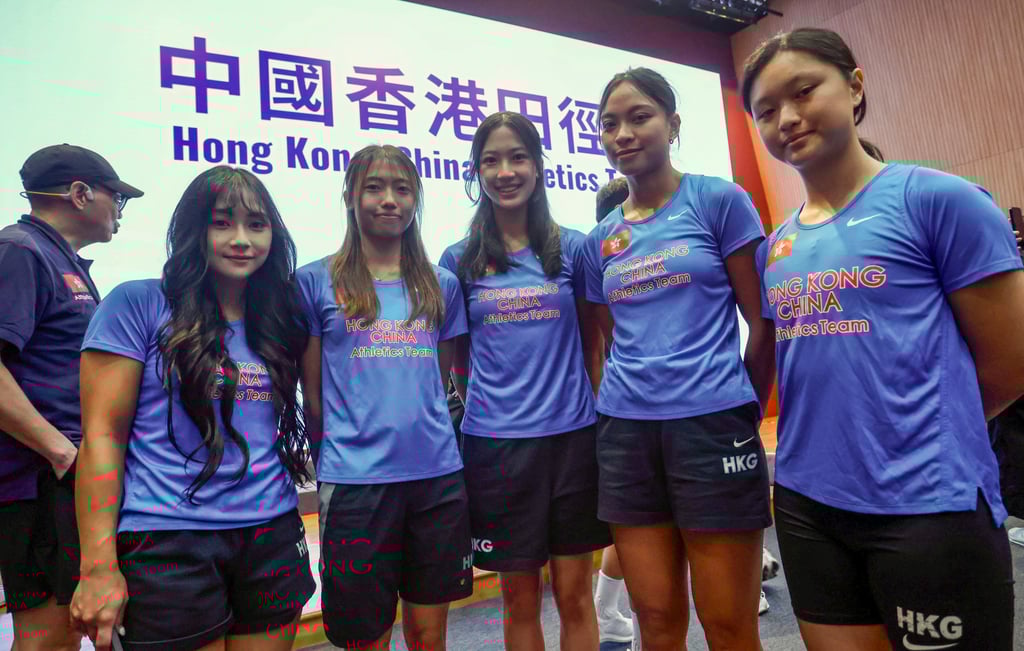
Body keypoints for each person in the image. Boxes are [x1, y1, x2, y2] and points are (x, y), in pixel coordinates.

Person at [743, 27, 1024, 651]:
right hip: (807, 504)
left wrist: (917, 432)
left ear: (854, 86)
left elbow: (1011, 364)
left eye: (803, 91)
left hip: (930, 504)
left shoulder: (940, 200)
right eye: (765, 110)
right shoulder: (775, 246)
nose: (787, 118)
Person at [70, 166, 314, 651]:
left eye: (257, 224)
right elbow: (101, 437)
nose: (241, 239)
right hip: (168, 542)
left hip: (272, 533)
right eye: (222, 223)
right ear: (193, 230)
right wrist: (98, 565)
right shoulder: (136, 305)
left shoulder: (280, 315)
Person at [582, 68, 775, 651]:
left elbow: (763, 321)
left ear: (673, 124)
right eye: (609, 124)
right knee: (657, 623)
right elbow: (610, 341)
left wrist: (743, 409)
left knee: (729, 625)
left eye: (639, 117)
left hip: (714, 429)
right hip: (627, 435)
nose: (623, 134)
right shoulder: (601, 241)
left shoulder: (719, 200)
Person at [439, 111, 612, 650]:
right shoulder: (458, 261)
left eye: (518, 157)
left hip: (572, 442)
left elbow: (594, 346)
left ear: (538, 168)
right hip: (497, 451)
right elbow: (459, 363)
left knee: (575, 595)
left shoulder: (574, 248)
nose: (505, 171)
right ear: (476, 173)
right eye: (491, 160)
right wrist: (495, 414)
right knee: (518, 601)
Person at [298, 145, 472, 651]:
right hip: (356, 486)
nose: (388, 200)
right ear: (350, 195)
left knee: (428, 634)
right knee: (364, 637)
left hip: (436, 479)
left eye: (402, 189)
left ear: (416, 199)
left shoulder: (441, 285)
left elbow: (439, 382)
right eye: (374, 187)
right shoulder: (314, 280)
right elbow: (313, 399)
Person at [0, 144, 141, 651]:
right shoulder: (20, 251)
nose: (120, 210)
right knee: (45, 636)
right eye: (117, 197)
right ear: (80, 193)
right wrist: (60, 451)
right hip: (36, 481)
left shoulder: (61, 259)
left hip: (65, 479)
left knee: (69, 631)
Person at [590, 177, 636, 642]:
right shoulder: (598, 259)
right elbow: (597, 347)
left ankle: (607, 608)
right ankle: (606, 608)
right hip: (619, 417)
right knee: (630, 524)